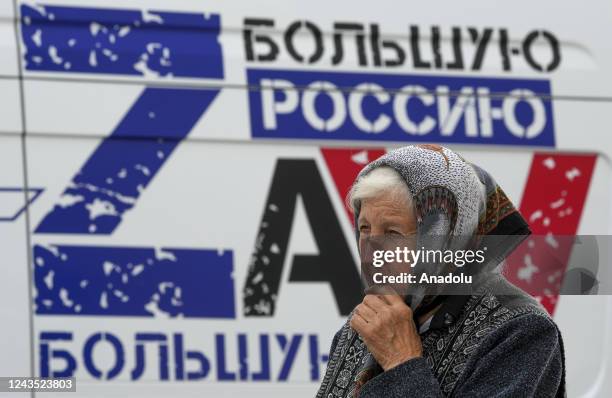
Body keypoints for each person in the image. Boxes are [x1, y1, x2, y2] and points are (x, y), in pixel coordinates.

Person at [315, 145, 565, 397]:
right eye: (365, 228)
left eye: (393, 232)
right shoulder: (373, 320)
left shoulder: (520, 330)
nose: (373, 252)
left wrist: (401, 362)